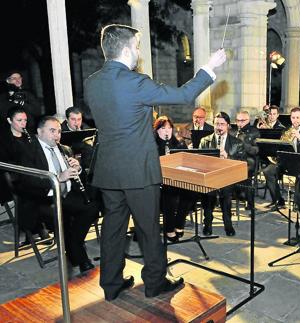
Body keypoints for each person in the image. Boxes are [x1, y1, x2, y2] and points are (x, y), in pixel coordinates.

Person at [84, 24, 226, 301]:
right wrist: (209, 66)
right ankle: (155, 283)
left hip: (108, 171)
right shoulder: (135, 82)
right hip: (138, 171)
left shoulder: (92, 82)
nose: (138, 52)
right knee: (149, 228)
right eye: (137, 47)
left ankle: (111, 286)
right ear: (126, 50)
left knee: (113, 229)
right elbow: (184, 95)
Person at [16, 116, 100, 274]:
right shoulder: (28, 150)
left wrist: (78, 169)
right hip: (42, 198)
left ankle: (74, 245)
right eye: (52, 131)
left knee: (93, 207)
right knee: (65, 218)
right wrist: (57, 178)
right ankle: (80, 258)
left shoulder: (65, 149)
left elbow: (74, 179)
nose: (57, 135)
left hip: (66, 195)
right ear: (40, 132)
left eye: (59, 131)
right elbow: (27, 181)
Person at [198, 112, 245, 236]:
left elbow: (241, 164)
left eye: (222, 124)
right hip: (210, 176)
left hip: (228, 177)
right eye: (217, 124)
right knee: (208, 194)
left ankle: (228, 224)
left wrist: (227, 157)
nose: (219, 127)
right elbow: (199, 162)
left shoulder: (237, 142)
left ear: (228, 126)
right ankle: (207, 222)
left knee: (226, 193)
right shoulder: (205, 141)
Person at [262, 107, 300, 209]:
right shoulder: (286, 129)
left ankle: (298, 202)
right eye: (293, 117)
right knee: (268, 171)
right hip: (286, 161)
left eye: (297, 117)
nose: (295, 120)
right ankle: (278, 200)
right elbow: (280, 145)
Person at [153, 116, 188, 242]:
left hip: (177, 179)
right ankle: (169, 229)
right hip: (158, 182)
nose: (167, 131)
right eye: (163, 128)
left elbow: (186, 161)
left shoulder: (178, 143)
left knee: (190, 194)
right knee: (170, 195)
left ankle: (179, 223)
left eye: (169, 128)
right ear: (157, 130)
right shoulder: (152, 146)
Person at [233, 110, 260, 210]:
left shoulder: (254, 132)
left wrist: (244, 144)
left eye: (242, 121)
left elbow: (256, 150)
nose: (239, 123)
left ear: (248, 120)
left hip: (248, 160)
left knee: (245, 171)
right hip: (234, 159)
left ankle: (249, 201)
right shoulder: (233, 131)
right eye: (238, 120)